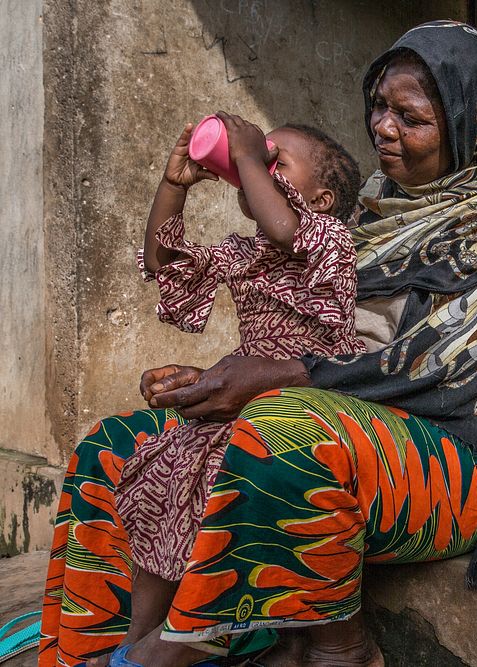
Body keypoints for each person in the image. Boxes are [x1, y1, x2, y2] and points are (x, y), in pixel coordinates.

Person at [40, 20, 477, 667]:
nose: (383, 126)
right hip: (334, 415)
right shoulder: (372, 209)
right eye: (379, 105)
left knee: (282, 426)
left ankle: (316, 648)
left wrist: (275, 375)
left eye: (411, 117)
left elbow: (441, 366)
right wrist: (217, 377)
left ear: (465, 127)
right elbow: (317, 334)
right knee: (118, 445)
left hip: (451, 456)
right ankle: (89, 650)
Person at [108, 115, 366, 666]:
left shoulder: (330, 240)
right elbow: (163, 263)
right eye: (259, 160)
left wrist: (248, 154)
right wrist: (174, 185)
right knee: (163, 487)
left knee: (222, 501)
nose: (257, 166)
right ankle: (136, 644)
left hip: (304, 403)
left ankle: (193, 638)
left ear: (319, 199)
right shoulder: (241, 251)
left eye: (276, 163)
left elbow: (285, 232)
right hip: (241, 402)